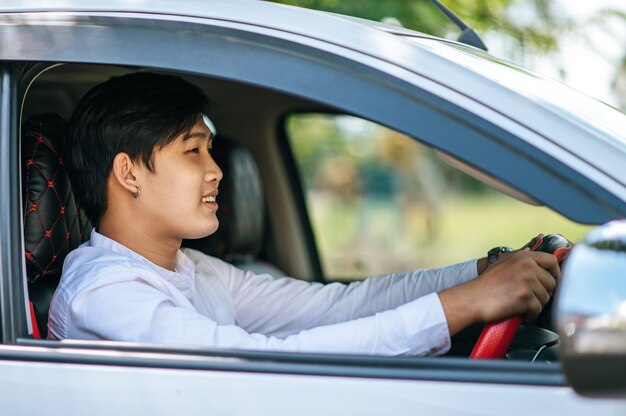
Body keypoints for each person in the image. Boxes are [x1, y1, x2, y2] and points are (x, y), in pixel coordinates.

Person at [47, 72, 560, 356]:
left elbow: (338, 307)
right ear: (129, 172)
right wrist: (464, 306)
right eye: (193, 151)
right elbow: (263, 364)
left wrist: (478, 274)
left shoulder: (191, 270)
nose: (216, 172)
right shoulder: (105, 293)